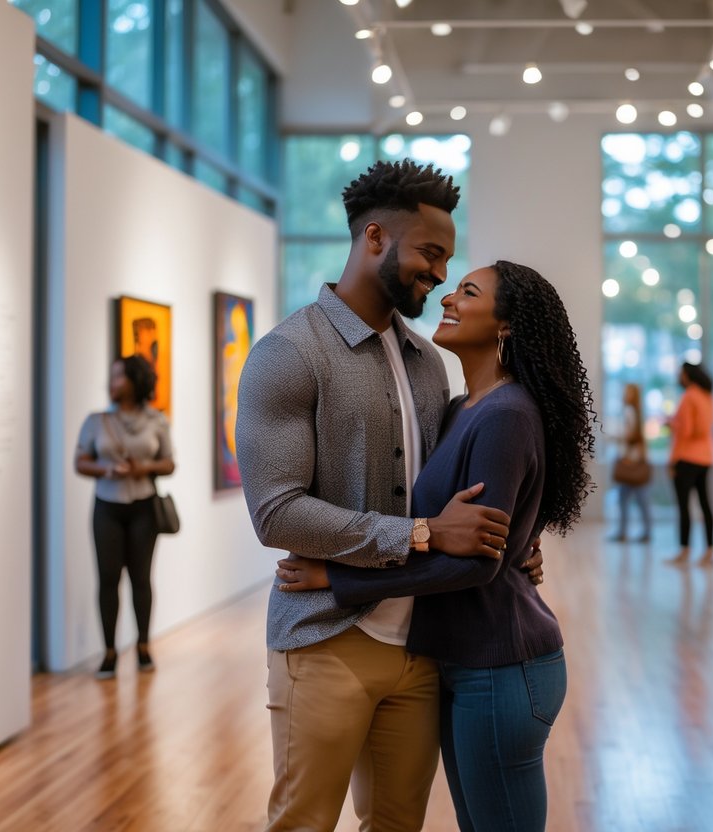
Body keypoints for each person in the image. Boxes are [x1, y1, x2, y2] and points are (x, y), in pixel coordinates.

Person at [235, 160, 543, 832]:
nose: (437, 277)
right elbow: (276, 512)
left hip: (423, 648)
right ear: (375, 238)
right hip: (323, 641)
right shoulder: (288, 354)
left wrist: (513, 543)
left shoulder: (429, 363)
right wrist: (419, 534)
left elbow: (463, 486)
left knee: (398, 826)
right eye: (430, 255)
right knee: (301, 824)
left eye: (447, 261)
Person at [277, 260, 596, 832]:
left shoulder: (505, 413)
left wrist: (339, 579)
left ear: (506, 326)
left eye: (468, 291)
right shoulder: (461, 409)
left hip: (503, 665)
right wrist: (522, 539)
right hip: (467, 661)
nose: (448, 296)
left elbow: (473, 566)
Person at [74, 355, 175, 678]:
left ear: (135, 381)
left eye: (119, 377)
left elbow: (169, 463)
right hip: (107, 505)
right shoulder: (96, 420)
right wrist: (106, 470)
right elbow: (80, 462)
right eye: (112, 376)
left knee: (141, 579)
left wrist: (142, 468)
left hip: (143, 506)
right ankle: (109, 652)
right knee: (107, 579)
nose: (112, 382)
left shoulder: (157, 420)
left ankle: (143, 646)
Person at [666, 363, 713, 566]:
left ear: (687, 376)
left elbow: (685, 433)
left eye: (680, 374)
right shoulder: (707, 396)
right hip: (706, 457)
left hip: (686, 458)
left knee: (684, 506)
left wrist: (673, 460)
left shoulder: (689, 397)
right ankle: (710, 549)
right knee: (705, 504)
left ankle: (684, 550)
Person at [610, 382, 652, 542]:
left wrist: (616, 439)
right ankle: (641, 532)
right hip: (637, 460)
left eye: (628, 393)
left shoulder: (628, 412)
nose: (625, 395)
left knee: (628, 499)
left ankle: (624, 532)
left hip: (629, 461)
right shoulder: (637, 412)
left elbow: (629, 436)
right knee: (638, 500)